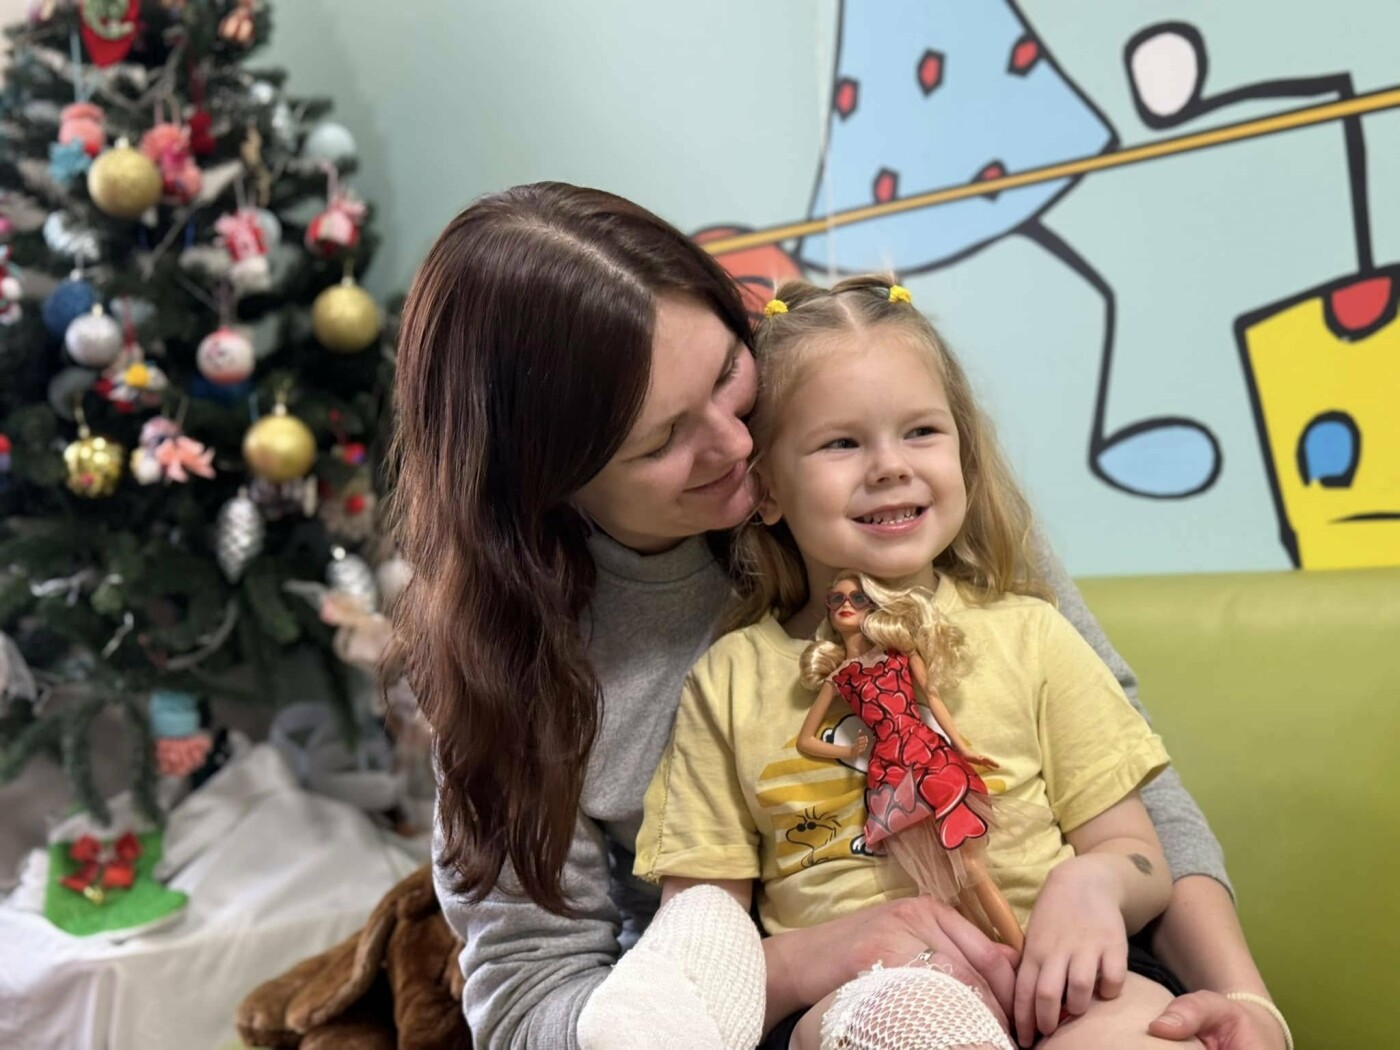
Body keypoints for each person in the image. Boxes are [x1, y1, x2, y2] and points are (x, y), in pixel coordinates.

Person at [388, 182, 1289, 1049]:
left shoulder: (906, 503)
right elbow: (530, 1002)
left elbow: (1129, 800)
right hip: (807, 1010)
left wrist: (1248, 1001)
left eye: (729, 374)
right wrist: (797, 965)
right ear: (548, 483)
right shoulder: (552, 674)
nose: (737, 444)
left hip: (1068, 971)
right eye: (664, 439)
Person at [613, 275, 1180, 1048]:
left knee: (1153, 1032)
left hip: (1063, 982)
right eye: (841, 443)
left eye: (920, 432)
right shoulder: (730, 680)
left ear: (964, 455)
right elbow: (703, 947)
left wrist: (1098, 882)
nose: (888, 466)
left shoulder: (1033, 634)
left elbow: (1140, 855)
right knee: (910, 1022)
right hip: (862, 998)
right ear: (766, 489)